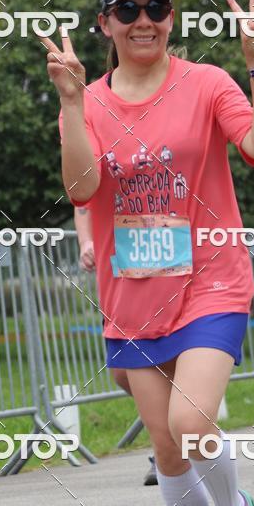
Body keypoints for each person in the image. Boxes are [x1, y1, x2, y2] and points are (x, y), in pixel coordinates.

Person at [44, 0, 254, 506]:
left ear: (171, 17)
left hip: (212, 279)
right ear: (106, 25)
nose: (144, 19)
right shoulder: (88, 100)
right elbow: (82, 189)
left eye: (157, 6)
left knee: (190, 420)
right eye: (129, 10)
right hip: (131, 297)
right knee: (168, 445)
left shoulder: (207, 83)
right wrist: (70, 106)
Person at [74, 205, 158, 486]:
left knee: (163, 363)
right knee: (123, 372)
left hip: (164, 252)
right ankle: (184, 432)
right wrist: (86, 241)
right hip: (117, 267)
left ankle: (168, 447)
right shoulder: (98, 160)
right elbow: (83, 203)